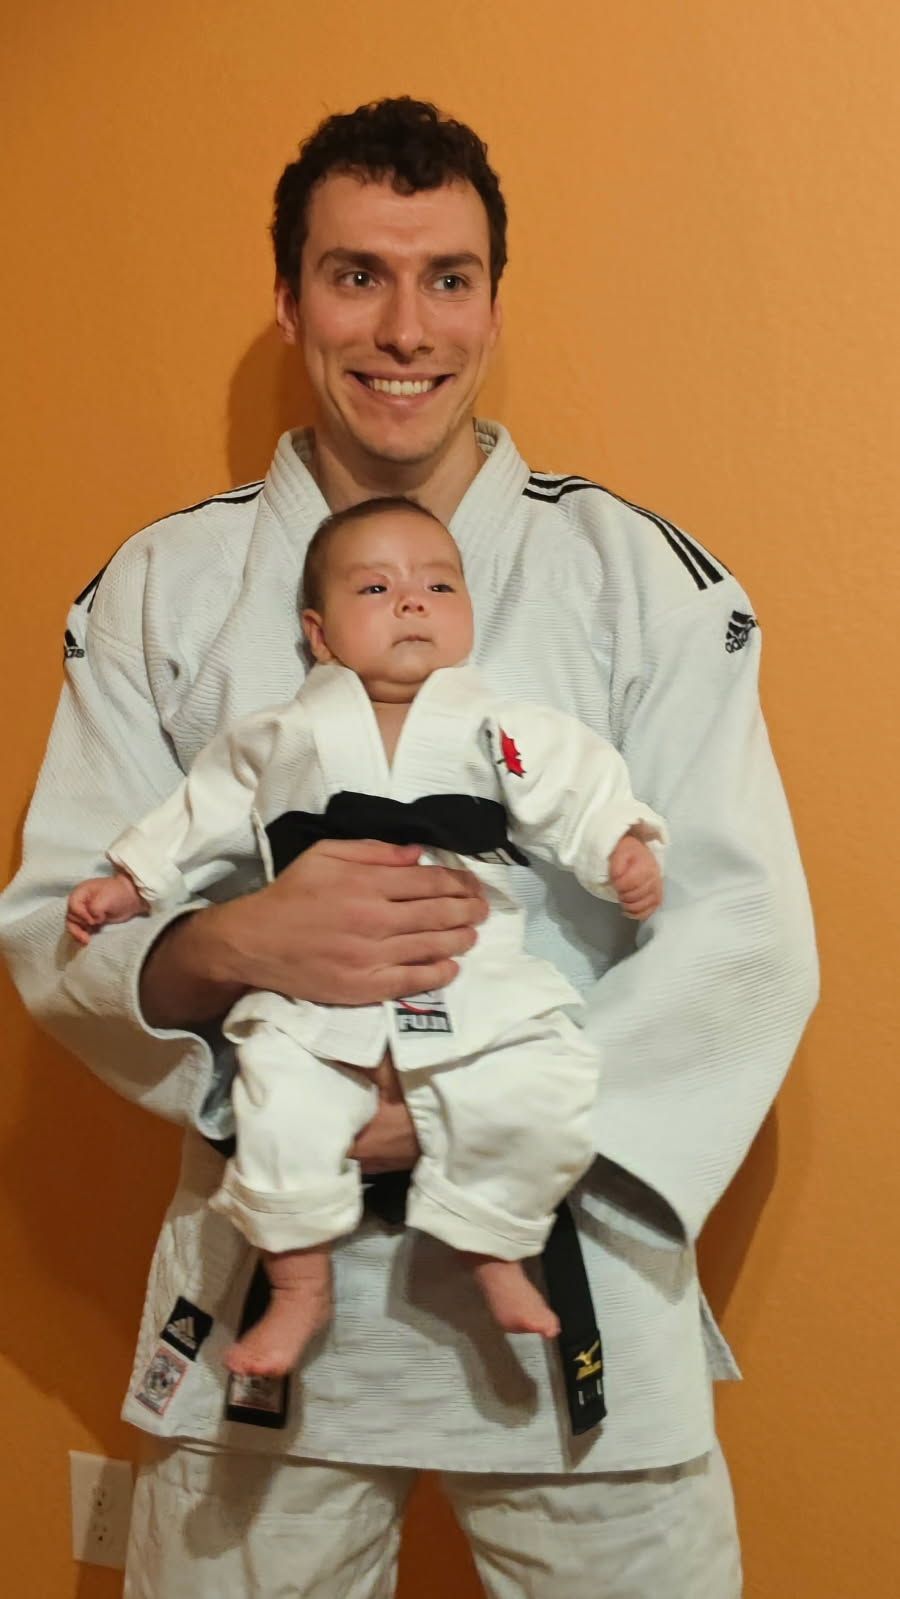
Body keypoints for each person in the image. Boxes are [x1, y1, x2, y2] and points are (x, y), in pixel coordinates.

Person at [0, 97, 817, 1597]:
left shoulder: (639, 577)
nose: (404, 326)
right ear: (291, 298)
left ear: (496, 304)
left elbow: (740, 934)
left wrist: (444, 1122)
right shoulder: (164, 587)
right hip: (271, 1271)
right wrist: (233, 942)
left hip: (572, 1277)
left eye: (448, 276)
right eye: (355, 273)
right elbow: (64, 913)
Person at [65, 496, 666, 1377]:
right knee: (279, 1096)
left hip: (472, 970)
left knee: (543, 1080)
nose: (412, 602)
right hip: (312, 987)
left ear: (469, 610)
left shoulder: (505, 728)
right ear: (320, 631)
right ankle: (299, 1282)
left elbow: (575, 786)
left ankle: (496, 1241)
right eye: (377, 586)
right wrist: (132, 881)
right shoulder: (281, 733)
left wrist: (618, 845)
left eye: (437, 584)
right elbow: (203, 813)